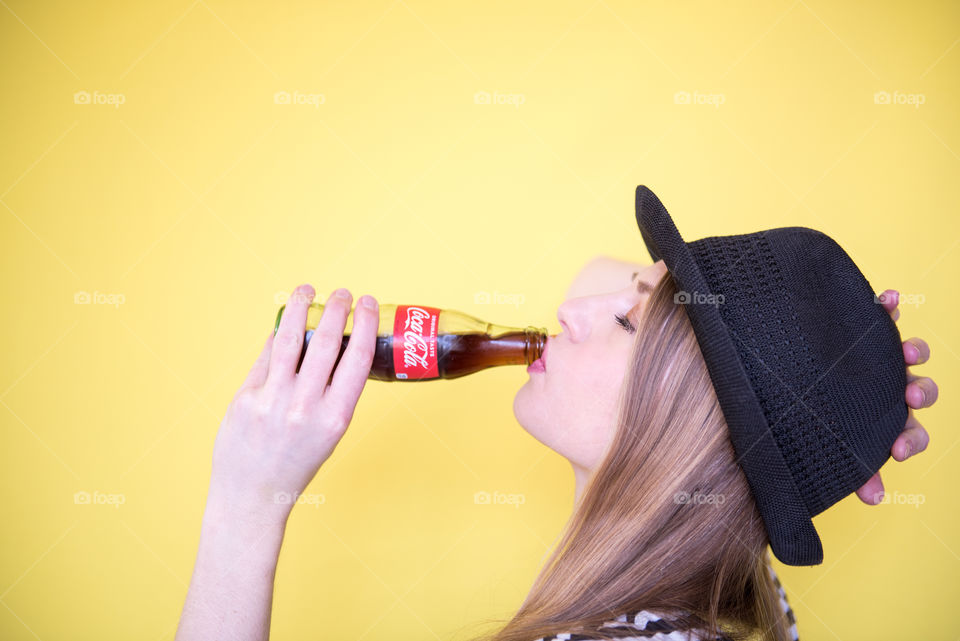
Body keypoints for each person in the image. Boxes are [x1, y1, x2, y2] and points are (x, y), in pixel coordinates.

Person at [174, 187, 938, 641]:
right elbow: (748, 441)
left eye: (627, 321)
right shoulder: (729, 602)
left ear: (692, 434)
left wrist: (244, 497)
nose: (572, 308)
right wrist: (848, 385)